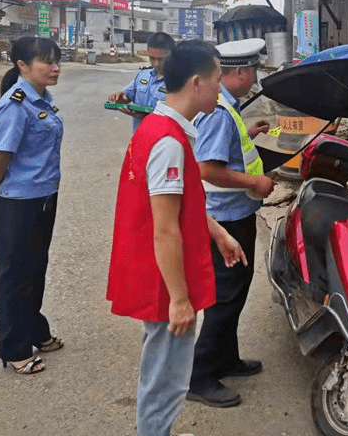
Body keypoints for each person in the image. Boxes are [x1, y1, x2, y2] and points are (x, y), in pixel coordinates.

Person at [106, 39, 247, 436]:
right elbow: (165, 227)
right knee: (165, 377)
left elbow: (180, 205)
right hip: (165, 278)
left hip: (160, 270)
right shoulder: (168, 141)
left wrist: (217, 232)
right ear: (198, 82)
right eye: (218, 79)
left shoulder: (157, 126)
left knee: (165, 368)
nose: (221, 88)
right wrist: (181, 300)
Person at [187, 38, 275, 408]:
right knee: (225, 295)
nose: (254, 76)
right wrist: (255, 182)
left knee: (235, 291)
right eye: (252, 70)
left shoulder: (228, 107)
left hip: (235, 214)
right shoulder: (219, 111)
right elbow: (207, 168)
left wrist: (249, 134)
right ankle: (199, 376)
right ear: (238, 73)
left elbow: (224, 151)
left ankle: (226, 358)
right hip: (224, 220)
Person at [0, 37, 64, 374]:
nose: (55, 68)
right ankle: (13, 348)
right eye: (46, 62)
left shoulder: (43, 99)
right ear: (23, 66)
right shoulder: (16, 105)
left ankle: (36, 331)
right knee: (15, 276)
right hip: (17, 204)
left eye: (56, 61)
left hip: (42, 198)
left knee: (35, 270)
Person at [107, 31, 175, 130]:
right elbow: (128, 95)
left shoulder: (180, 82)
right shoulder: (143, 75)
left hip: (163, 142)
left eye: (161, 59)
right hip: (139, 138)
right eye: (152, 58)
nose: (156, 63)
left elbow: (181, 119)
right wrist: (120, 97)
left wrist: (145, 117)